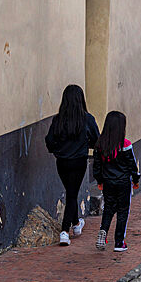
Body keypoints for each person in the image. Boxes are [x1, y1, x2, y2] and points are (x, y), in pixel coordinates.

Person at [44, 84, 100, 246]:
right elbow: (96, 139)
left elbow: (49, 140)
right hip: (79, 161)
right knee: (72, 194)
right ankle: (64, 231)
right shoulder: (87, 119)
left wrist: (57, 150)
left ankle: (76, 224)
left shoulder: (58, 119)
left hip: (62, 161)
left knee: (71, 192)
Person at [92, 111, 140, 252]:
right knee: (123, 211)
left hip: (108, 182)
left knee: (109, 208)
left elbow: (97, 165)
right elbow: (132, 165)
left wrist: (99, 180)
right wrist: (136, 180)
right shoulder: (125, 144)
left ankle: (103, 230)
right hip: (123, 182)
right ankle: (119, 242)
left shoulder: (100, 145)